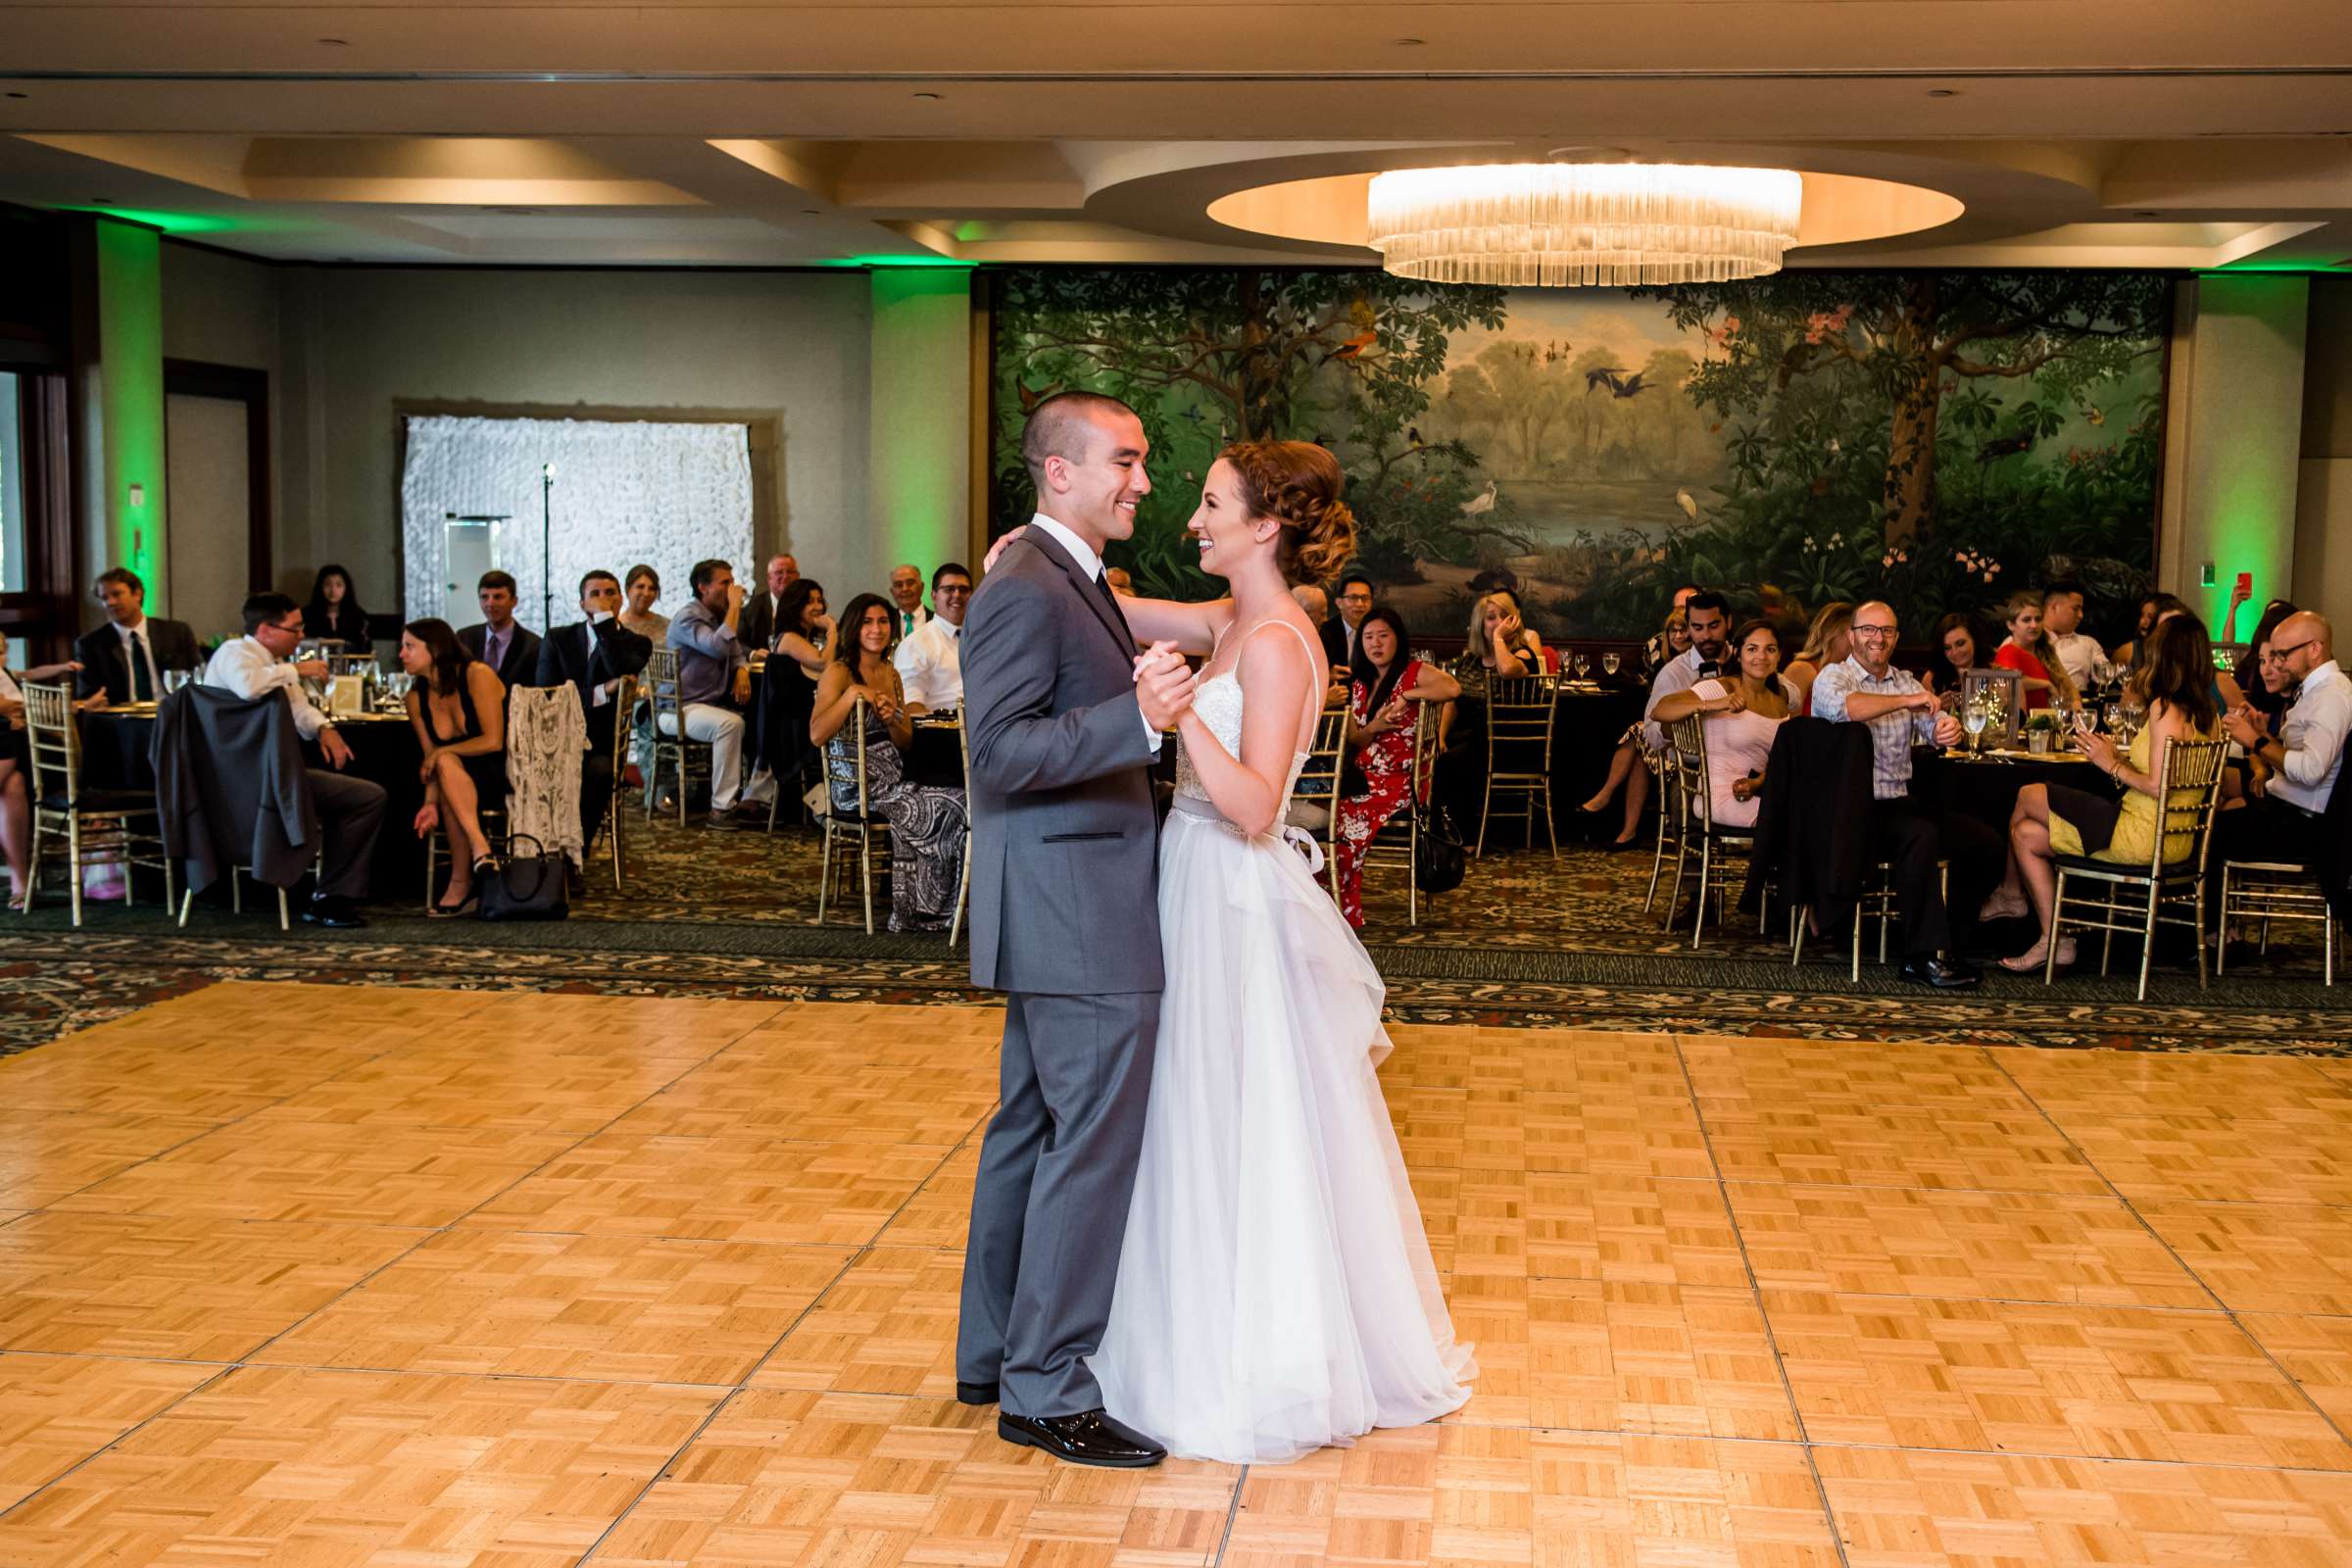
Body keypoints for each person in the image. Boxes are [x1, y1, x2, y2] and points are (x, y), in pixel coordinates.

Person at [1046, 435, 1474, 1463]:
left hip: (1230, 890)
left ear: (1265, 526)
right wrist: (1055, 545)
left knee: (1235, 1112)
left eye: (1209, 503)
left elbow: (1250, 805)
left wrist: (1179, 710)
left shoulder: (1278, 641)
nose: (1191, 519)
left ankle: (1255, 1354)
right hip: (1187, 883)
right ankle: (1183, 1320)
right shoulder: (1233, 618)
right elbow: (1125, 608)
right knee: (1191, 1109)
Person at [956, 390, 1195, 1472]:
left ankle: (998, 1351)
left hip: (1066, 902)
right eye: (1126, 460)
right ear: (1061, 472)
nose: (1142, 480)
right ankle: (1047, 1386)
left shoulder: (1061, 574)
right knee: (1085, 1147)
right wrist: (1137, 722)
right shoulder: (1027, 586)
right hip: (1078, 909)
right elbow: (998, 756)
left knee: (1032, 1132)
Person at [1983, 614, 2226, 972]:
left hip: (2139, 834)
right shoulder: (2209, 716)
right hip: (2176, 839)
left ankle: (2012, 894)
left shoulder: (2165, 709)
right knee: (2025, 835)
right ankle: (2052, 938)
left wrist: (2108, 762)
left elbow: (2158, 785)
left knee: (2026, 794)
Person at [1808, 600, 2000, 989]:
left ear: (1896, 638)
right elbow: (1847, 710)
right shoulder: (1833, 677)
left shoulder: (1904, 681)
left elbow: (1934, 722)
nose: (1877, 638)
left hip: (1898, 803)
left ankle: (1950, 943)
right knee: (1919, 835)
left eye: (1887, 631)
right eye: (1869, 630)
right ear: (1852, 636)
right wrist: (1908, 702)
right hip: (1849, 811)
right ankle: (1921, 957)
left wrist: (1947, 729)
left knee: (1986, 843)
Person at [201, 592, 388, 927]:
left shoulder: (274, 665)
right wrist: (297, 668)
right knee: (364, 797)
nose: (301, 635)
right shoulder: (235, 653)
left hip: (277, 774)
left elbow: (299, 709)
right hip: (243, 780)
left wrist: (324, 729)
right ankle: (327, 894)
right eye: (295, 628)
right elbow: (248, 687)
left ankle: (330, 894)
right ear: (265, 629)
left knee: (365, 795)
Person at [811, 593, 969, 931]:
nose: (876, 629)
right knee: (938, 807)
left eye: (883, 621)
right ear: (855, 626)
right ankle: (916, 910)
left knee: (962, 801)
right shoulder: (838, 673)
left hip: (893, 776)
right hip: (855, 783)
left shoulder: (891, 672)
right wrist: (853, 695)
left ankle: (941, 910)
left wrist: (892, 718)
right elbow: (816, 734)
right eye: (868, 621)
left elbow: (906, 741)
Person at [1334, 607, 1458, 925]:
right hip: (1365, 777)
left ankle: (1340, 911)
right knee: (1326, 818)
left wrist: (1408, 697)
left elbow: (1452, 688)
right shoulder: (1359, 684)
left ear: (1397, 639)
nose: (1375, 644)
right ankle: (1333, 907)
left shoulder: (1414, 671)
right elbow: (1356, 741)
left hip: (1402, 780)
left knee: (1342, 823)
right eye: (1368, 637)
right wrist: (1375, 725)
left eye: (1383, 636)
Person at [536, 569, 654, 885]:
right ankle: (538, 852)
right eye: (595, 594)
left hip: (601, 744)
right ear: (581, 602)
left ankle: (576, 854)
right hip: (557, 739)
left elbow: (618, 667)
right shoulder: (557, 639)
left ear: (620, 599)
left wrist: (604, 625)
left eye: (610, 593)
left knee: (597, 772)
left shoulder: (637, 644)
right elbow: (548, 695)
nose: (603, 599)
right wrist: (602, 692)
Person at [2215, 611, 2348, 871]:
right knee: (2212, 817)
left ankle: (2202, 912)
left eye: (2283, 654)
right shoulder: (2317, 691)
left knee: (2206, 834)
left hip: (2307, 826)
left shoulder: (2331, 695)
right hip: (2291, 811)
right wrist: (2263, 735)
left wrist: (2255, 741)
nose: (2278, 663)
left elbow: (2311, 770)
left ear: (2314, 649)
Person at [398, 617, 508, 916]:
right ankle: (480, 853)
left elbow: (493, 740)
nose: (401, 654)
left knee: (446, 763)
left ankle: (462, 880)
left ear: (434, 648)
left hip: (499, 771)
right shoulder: (414, 698)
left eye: (409, 646)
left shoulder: (476, 675)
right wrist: (428, 803)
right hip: (454, 779)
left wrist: (443, 754)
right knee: (445, 770)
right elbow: (431, 756)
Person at [1649, 619, 1792, 830]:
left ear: (1779, 655)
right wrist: (1715, 704)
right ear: (1738, 653)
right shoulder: (1723, 687)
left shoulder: (1779, 703)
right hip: (1715, 798)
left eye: (1770, 649)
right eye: (1752, 649)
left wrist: (1757, 783)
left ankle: (1766, 864)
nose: (1761, 657)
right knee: (1793, 820)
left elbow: (1779, 763)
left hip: (1755, 794)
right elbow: (1660, 710)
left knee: (1806, 813)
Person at [1434, 589, 1545, 839]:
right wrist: (1440, 735)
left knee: (1453, 761)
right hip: (1473, 736)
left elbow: (1505, 670)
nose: (1498, 622)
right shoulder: (1470, 661)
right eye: (1491, 617)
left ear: (1513, 621)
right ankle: (1436, 830)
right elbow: (1452, 701)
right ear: (1479, 623)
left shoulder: (1522, 655)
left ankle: (1465, 835)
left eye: (1504, 616)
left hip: (1509, 741)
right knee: (1435, 753)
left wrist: (1498, 638)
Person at [664, 559, 760, 829]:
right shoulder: (688, 618)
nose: (732, 588)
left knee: (762, 718)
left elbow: (735, 651)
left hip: (708, 704)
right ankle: (721, 808)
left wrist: (741, 669)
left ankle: (757, 798)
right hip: (679, 707)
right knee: (730, 724)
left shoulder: (716, 617)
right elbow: (718, 646)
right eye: (725, 583)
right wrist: (734, 609)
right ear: (703, 587)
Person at [0, 634, 83, 907]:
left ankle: (20, 880)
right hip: (13, 756)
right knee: (12, 785)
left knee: (10, 744)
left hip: (31, 749)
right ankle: (20, 881)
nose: (2, 657)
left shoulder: (7, 674)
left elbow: (29, 695)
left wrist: (63, 669)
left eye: (3, 651)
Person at [73, 568, 201, 706]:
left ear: (137, 594)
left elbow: (199, 677)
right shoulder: (90, 644)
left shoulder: (176, 632)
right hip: (121, 720)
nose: (110, 602)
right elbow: (87, 695)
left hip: (172, 714)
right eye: (104, 598)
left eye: (116, 594)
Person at [894, 562, 971, 713]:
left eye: (963, 589)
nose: (957, 595)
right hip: (943, 732)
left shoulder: (983, 638)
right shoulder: (915, 643)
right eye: (949, 589)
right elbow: (911, 706)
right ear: (934, 596)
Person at [457, 571, 542, 694]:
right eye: (484, 597)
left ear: (514, 601)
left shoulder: (534, 645)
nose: (490, 604)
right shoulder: (464, 638)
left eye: (498, 597)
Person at [1990, 590, 2075, 711]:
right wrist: (2047, 684)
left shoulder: (2046, 651)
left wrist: (2076, 703)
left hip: (2051, 720)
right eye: (2026, 620)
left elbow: (2068, 685)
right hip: (2024, 725)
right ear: (2011, 625)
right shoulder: (2007, 651)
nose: (2034, 625)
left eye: (2038, 619)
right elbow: (2011, 683)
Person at [2233, 599, 2300, 730]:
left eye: (2275, 658)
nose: (2266, 670)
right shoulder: (2253, 674)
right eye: (2262, 660)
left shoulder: (2309, 698)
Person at [1783, 602, 1853, 716]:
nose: (1859, 639)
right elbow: (1786, 725)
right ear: (1832, 633)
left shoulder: (1852, 672)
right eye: (1852, 633)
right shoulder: (1802, 669)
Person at [302, 564, 374, 654]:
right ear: (320, 587)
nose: (333, 590)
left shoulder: (358, 616)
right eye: (328, 585)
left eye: (339, 585)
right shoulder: (307, 615)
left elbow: (366, 651)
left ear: (346, 588)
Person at [2042, 581, 2101, 692]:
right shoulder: (2026, 641)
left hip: (2077, 705)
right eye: (2076, 609)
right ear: (2055, 607)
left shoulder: (2088, 644)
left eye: (2081, 609)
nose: (2081, 615)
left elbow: (2107, 676)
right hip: (2036, 706)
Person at [739, 554, 799, 653]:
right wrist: (753, 654)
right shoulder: (751, 606)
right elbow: (737, 642)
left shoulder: (809, 605)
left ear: (797, 576)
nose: (785, 576)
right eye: (779, 572)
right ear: (769, 578)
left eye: (790, 572)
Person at [1931, 611, 1985, 711]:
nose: (1955, 652)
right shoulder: (1932, 678)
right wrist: (1938, 707)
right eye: (1947, 648)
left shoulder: (1999, 676)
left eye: (1960, 644)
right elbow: (1919, 721)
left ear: (1974, 640)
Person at [1642, 584, 1703, 673]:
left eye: (1685, 608)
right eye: (1677, 608)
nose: (1680, 613)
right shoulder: (1655, 645)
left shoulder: (1707, 643)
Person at [1326, 572, 1375, 669]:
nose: (1360, 604)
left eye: (1365, 598)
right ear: (1339, 603)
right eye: (1353, 598)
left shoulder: (1378, 629)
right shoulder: (1326, 633)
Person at [618, 564, 669, 643]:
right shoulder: (617, 627)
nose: (646, 593)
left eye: (651, 588)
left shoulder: (668, 626)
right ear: (628, 589)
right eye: (640, 587)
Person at [888, 563, 931, 640]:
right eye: (899, 585)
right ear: (892, 592)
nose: (905, 589)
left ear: (922, 587)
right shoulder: (887, 621)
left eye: (910, 583)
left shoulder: (937, 620)